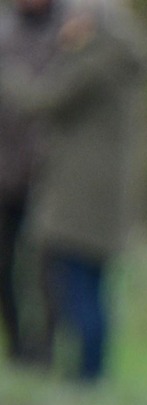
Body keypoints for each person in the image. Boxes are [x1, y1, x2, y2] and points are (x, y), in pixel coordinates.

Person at [0, 0, 146, 384]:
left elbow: (44, 100)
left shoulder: (98, 58)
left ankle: (87, 374)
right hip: (92, 192)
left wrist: (8, 73)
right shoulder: (110, 56)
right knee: (89, 285)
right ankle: (85, 371)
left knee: (78, 285)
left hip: (80, 193)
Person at [0, 0, 62, 366]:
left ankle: (44, 351)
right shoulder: (6, 29)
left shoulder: (70, 31)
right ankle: (17, 343)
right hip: (4, 172)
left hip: (49, 175)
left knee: (47, 272)